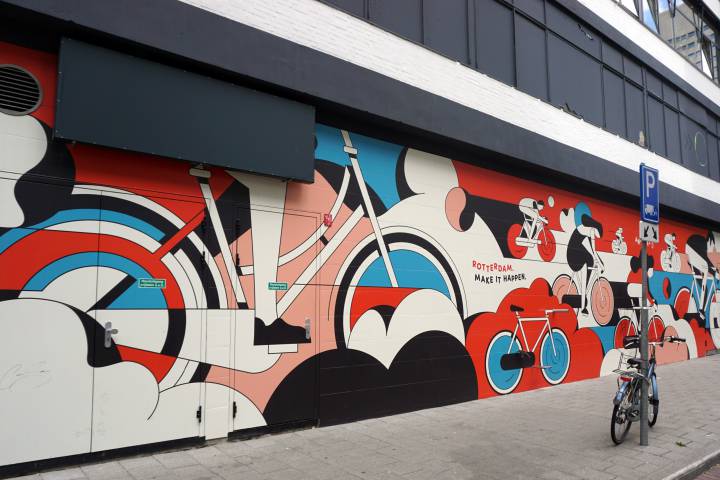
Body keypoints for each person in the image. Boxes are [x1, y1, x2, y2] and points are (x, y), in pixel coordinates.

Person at [567, 213, 604, 315]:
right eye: (598, 234)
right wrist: (601, 265)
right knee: (587, 268)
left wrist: (600, 263)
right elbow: (593, 251)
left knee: (590, 261)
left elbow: (593, 252)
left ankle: (584, 293)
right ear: (596, 229)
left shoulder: (585, 229)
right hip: (574, 258)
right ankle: (583, 307)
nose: (597, 236)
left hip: (576, 255)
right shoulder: (590, 231)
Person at [685, 232, 718, 320]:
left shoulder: (701, 243)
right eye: (713, 245)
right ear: (710, 241)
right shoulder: (703, 242)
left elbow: (704, 259)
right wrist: (714, 272)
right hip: (691, 251)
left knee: (705, 287)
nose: (713, 248)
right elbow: (705, 259)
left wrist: (714, 270)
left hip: (691, 255)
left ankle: (701, 309)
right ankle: (701, 309)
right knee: (706, 268)